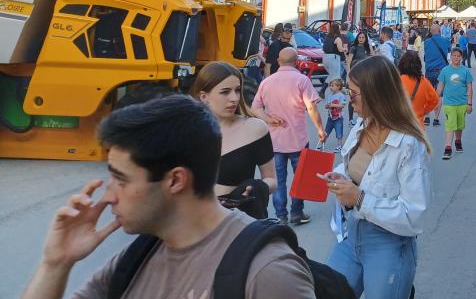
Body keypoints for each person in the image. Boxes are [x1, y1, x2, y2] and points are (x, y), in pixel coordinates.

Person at [21, 95, 315, 299]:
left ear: (175, 180)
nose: (107, 196)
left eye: (121, 179)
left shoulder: (268, 274)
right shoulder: (140, 255)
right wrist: (56, 263)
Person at [322, 56, 430, 299]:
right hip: (352, 235)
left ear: (376, 94)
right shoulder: (362, 125)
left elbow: (415, 215)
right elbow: (350, 167)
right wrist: (338, 176)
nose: (349, 99)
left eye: (354, 93)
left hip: (389, 245)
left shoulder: (408, 144)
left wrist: (359, 198)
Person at [250, 47, 326, 226]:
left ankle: (281, 216)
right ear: (297, 62)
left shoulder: (266, 82)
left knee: (279, 179)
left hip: (274, 142)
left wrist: (268, 118)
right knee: (300, 177)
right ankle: (297, 213)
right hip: (298, 140)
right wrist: (320, 129)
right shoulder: (302, 80)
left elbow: (255, 108)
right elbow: (311, 108)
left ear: (278, 61)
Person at [191, 61, 276, 219]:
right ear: (204, 97)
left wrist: (256, 187)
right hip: (195, 223)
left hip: (238, 222)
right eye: (225, 92)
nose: (234, 98)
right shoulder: (187, 132)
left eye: (237, 91)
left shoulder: (254, 129)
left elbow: (271, 179)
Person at [437, 47, 473, 159]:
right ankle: (448, 148)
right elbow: (440, 85)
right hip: (449, 103)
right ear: (451, 57)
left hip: (462, 103)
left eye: (458, 56)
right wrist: (435, 97)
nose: (456, 58)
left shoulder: (465, 71)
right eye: (454, 56)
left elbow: (469, 87)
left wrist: (470, 103)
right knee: (450, 124)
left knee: (459, 125)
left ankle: (458, 141)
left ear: (461, 58)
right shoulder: (445, 70)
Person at [397, 50, 441, 125]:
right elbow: (435, 100)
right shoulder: (424, 82)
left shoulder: (397, 81)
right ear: (418, 65)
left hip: (401, 124)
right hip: (418, 125)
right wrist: (423, 111)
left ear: (402, 64)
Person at [422, 24, 449, 126]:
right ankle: (436, 119)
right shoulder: (445, 41)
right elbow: (449, 50)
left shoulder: (427, 42)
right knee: (439, 96)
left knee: (428, 94)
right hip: (441, 71)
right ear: (439, 30)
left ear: (431, 31)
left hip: (429, 71)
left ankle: (427, 117)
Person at [346, 31, 374, 122]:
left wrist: (370, 46)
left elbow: (374, 57)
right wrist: (348, 74)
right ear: (357, 38)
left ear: (366, 39)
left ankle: (364, 116)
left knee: (365, 96)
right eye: (359, 37)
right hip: (354, 75)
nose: (361, 39)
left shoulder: (367, 48)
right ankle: (350, 119)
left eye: (363, 37)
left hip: (365, 75)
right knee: (353, 96)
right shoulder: (354, 48)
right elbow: (349, 62)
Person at [324, 79, 348, 151]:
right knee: (326, 131)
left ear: (338, 87)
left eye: (333, 86)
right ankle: (322, 144)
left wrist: (333, 105)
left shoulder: (341, 96)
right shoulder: (329, 96)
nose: (331, 87)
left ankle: (339, 146)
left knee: (339, 132)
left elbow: (342, 105)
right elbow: (326, 105)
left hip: (338, 118)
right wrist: (327, 106)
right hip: (330, 117)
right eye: (330, 86)